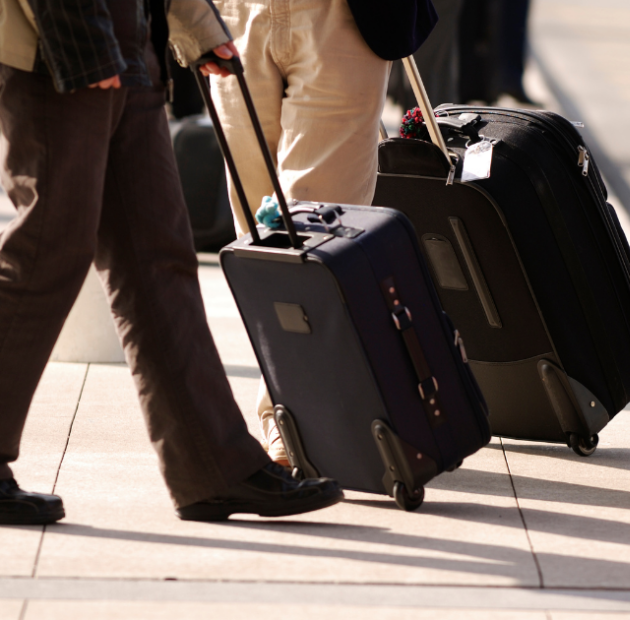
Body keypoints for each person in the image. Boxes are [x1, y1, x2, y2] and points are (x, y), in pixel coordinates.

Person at [0, 0, 344, 524]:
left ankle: (216, 469)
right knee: (48, 249)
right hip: (61, 36)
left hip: (133, 38)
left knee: (159, 259)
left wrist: (198, 27)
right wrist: (84, 42)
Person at [209, 0, 437, 466]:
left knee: (315, 232)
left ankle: (291, 418)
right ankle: (301, 411)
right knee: (258, 235)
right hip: (233, 15)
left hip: (340, 19)